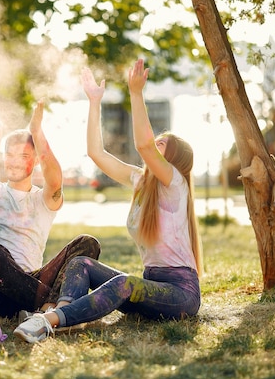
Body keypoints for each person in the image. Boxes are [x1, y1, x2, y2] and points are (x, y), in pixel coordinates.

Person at [14, 59, 204, 343]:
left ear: (173, 160)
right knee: (80, 264)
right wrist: (94, 102)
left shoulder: (175, 183)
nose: (153, 149)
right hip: (150, 286)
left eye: (161, 145)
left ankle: (47, 321)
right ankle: (64, 316)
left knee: (123, 283)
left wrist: (136, 94)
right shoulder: (142, 182)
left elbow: (143, 144)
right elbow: (96, 153)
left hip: (180, 294)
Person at [0, 97, 101, 322]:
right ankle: (54, 308)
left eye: (23, 156)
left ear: (36, 160)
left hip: (31, 286)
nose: (15, 162)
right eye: (10, 155)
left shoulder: (41, 199)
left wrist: (37, 132)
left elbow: (55, 181)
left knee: (87, 243)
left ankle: (48, 309)